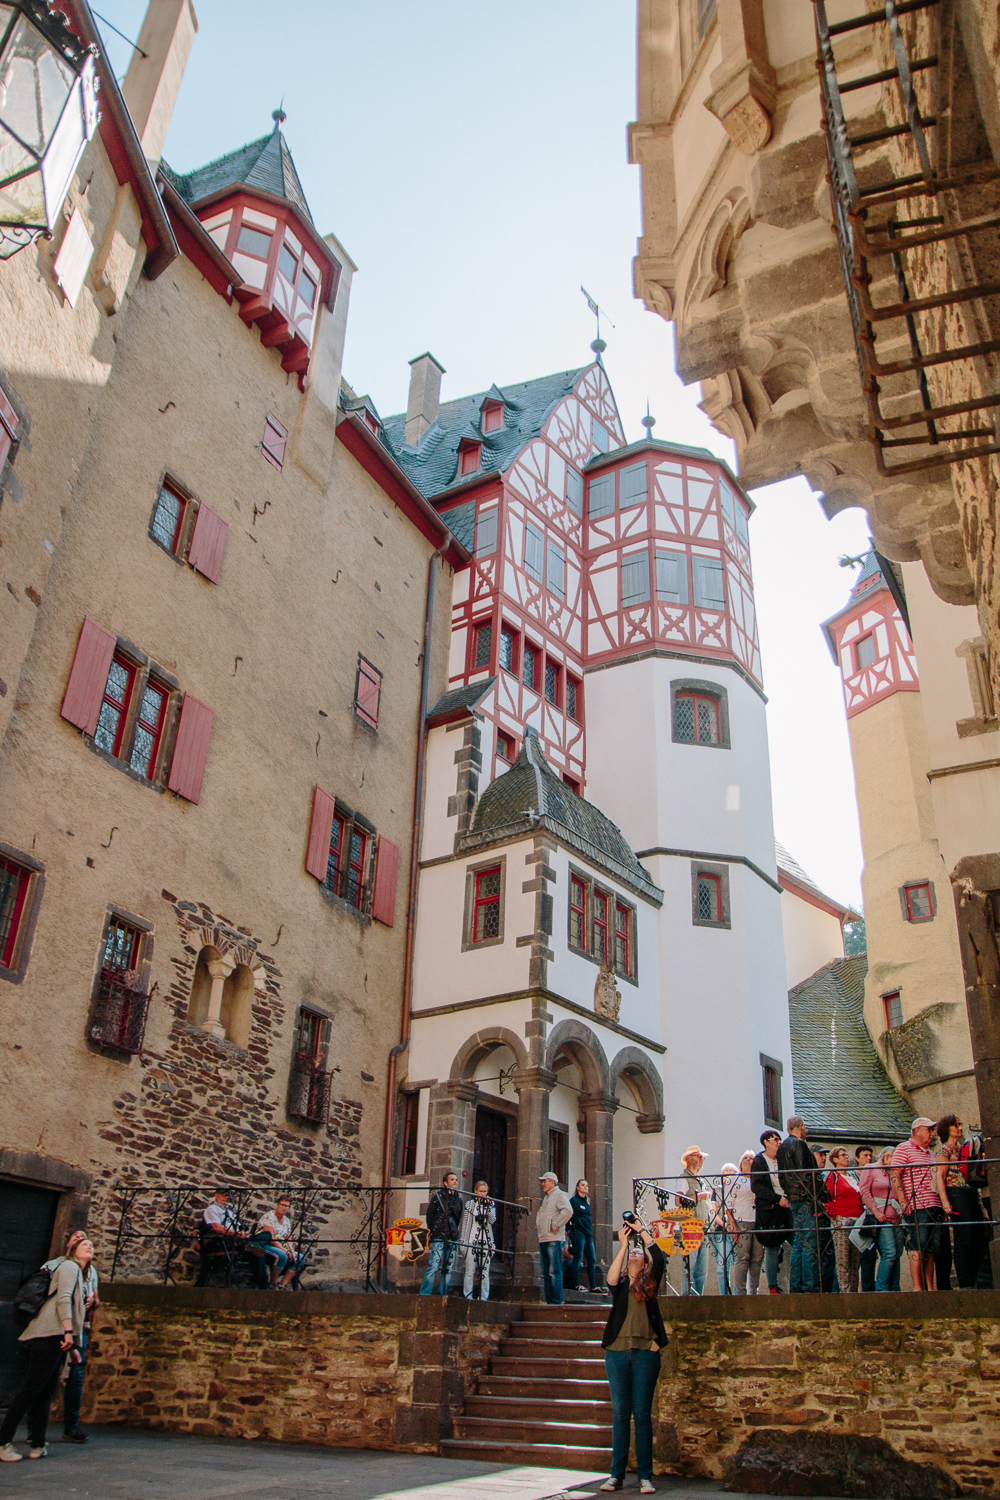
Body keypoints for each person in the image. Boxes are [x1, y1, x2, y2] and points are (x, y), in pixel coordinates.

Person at [0, 1236, 92, 1462]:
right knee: (33, 1388)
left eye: (91, 1245)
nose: (89, 1246)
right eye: (84, 1245)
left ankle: (38, 1444)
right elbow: (63, 1299)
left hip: (56, 1336)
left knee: (45, 1390)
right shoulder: (70, 1266)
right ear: (72, 1250)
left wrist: (72, 1345)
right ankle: (3, 1441)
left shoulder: (80, 1273)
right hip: (49, 1334)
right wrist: (68, 1332)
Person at [599, 1216, 668, 1495]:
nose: (637, 1254)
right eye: (633, 1253)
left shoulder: (649, 1283)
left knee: (641, 1414)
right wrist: (624, 1244)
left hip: (645, 1354)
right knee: (619, 1414)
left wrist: (643, 1233)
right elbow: (611, 1278)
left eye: (640, 1253)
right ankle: (616, 1475)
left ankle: (644, 1477)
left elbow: (660, 1259)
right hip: (616, 1353)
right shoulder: (621, 1285)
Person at [45, 1231, 98, 1442]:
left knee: (75, 1376)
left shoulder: (91, 1271)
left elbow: (97, 1299)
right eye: (79, 1239)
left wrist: (91, 1302)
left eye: (88, 1240)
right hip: (57, 1327)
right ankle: (34, 1427)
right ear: (70, 1244)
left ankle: (71, 1426)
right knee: (46, 1376)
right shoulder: (56, 1265)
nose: (85, 1243)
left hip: (79, 1330)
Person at [936, 1114, 989, 1289]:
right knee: (963, 1238)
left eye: (960, 1124)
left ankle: (972, 1281)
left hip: (970, 1193)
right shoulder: (944, 1150)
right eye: (956, 1125)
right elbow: (940, 1177)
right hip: (956, 1192)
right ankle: (966, 1284)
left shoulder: (964, 1148)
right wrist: (945, 1201)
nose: (959, 1128)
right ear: (947, 1129)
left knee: (979, 1239)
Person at [891, 1118, 944, 1290]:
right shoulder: (903, 1148)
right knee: (917, 1245)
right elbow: (895, 1175)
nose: (932, 1134)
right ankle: (917, 1287)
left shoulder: (931, 1153)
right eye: (929, 1130)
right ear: (917, 1130)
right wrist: (903, 1200)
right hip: (917, 1206)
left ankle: (929, 1286)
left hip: (933, 1204)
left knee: (931, 1248)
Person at [777, 1117, 828, 1293]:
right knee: (808, 1243)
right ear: (802, 1127)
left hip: (793, 1198)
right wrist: (817, 1198)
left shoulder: (782, 1147)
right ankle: (809, 1286)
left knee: (799, 1242)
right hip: (804, 1198)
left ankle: (796, 1286)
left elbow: (783, 1176)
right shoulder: (799, 1144)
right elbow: (806, 1174)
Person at [751, 1129, 792, 1294]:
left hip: (788, 1206)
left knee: (797, 1241)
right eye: (775, 1139)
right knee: (772, 1247)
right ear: (766, 1142)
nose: (778, 1142)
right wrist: (777, 1199)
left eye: (779, 1139)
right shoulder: (760, 1161)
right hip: (770, 1209)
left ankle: (795, 1281)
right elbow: (757, 1186)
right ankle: (773, 1286)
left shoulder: (782, 1160)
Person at [859, 1146, 904, 1291]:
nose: (893, 1161)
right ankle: (882, 1288)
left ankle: (894, 1287)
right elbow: (864, 1190)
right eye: (890, 1157)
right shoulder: (871, 1168)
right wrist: (875, 1212)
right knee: (889, 1252)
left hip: (896, 1218)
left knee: (897, 1254)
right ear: (884, 1156)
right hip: (881, 1218)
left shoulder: (894, 1172)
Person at [676, 1146, 714, 1295]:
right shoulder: (683, 1178)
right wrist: (700, 1197)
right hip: (691, 1227)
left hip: (704, 1228)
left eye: (702, 1157)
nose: (701, 1160)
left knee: (702, 1270)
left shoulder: (700, 1180)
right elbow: (679, 1201)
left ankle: (698, 1298)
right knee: (690, 1267)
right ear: (689, 1159)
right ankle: (687, 1298)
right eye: (699, 1157)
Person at [824, 1147, 863, 1292]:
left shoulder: (853, 1178)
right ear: (835, 1159)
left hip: (857, 1221)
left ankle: (853, 1290)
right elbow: (825, 1199)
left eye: (847, 1155)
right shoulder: (832, 1177)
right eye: (843, 1155)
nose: (847, 1157)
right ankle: (845, 1291)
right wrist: (835, 1216)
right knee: (843, 1259)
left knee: (855, 1259)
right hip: (843, 1220)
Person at [420, 1171, 464, 1295]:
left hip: (451, 1235)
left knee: (448, 1268)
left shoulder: (458, 1200)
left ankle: (442, 1294)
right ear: (445, 1183)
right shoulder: (437, 1197)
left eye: (456, 1179)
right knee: (434, 1265)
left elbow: (457, 1218)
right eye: (452, 1179)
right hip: (439, 1234)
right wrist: (434, 1231)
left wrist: (454, 1231)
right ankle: (425, 1294)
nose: (455, 1181)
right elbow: (430, 1216)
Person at [730, 1152, 765, 1295]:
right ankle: (741, 1293)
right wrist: (732, 1224)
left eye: (752, 1159)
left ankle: (753, 1292)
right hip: (741, 1221)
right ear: (740, 1163)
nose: (749, 1161)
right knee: (742, 1258)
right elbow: (728, 1204)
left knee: (757, 1259)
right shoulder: (734, 1180)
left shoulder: (759, 1180)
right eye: (746, 1158)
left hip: (758, 1222)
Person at [536, 1171, 573, 1305]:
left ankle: (556, 1301)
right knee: (546, 1273)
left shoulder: (559, 1195)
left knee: (554, 1272)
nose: (542, 1184)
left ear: (552, 1182)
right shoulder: (547, 1198)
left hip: (554, 1239)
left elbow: (568, 1211)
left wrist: (555, 1225)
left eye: (544, 1181)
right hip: (544, 1238)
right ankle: (550, 1300)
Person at [257, 1196, 306, 1290]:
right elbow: (270, 1238)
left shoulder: (286, 1220)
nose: (284, 1208)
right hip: (267, 1244)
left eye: (286, 1206)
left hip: (282, 1245)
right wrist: (286, 1251)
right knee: (282, 1255)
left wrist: (291, 1251)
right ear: (277, 1204)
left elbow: (288, 1237)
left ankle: (282, 1285)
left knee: (299, 1258)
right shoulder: (269, 1216)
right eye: (282, 1205)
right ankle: (273, 1284)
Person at [459, 1180, 496, 1300]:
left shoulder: (491, 1204)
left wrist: (488, 1207)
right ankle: (468, 1296)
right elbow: (465, 1224)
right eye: (480, 1191)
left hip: (485, 1241)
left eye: (485, 1191)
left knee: (485, 1272)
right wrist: (463, 1242)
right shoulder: (470, 1205)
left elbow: (492, 1220)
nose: (483, 1194)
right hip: (471, 1240)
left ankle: (483, 1297)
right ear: (475, 1191)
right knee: (470, 1271)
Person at [811, 1145, 837, 1293]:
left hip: (828, 1220)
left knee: (829, 1257)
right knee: (816, 1257)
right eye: (820, 1155)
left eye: (824, 1155)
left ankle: (827, 1290)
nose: (823, 1158)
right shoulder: (808, 1176)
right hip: (814, 1221)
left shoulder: (826, 1176)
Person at [709, 1165, 739, 1294]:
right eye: (725, 1171)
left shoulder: (739, 1188)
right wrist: (724, 1225)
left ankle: (739, 1295)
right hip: (720, 1231)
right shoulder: (716, 1190)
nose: (727, 1173)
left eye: (730, 1171)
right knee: (722, 1267)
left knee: (739, 1266)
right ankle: (724, 1295)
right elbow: (713, 1211)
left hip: (738, 1230)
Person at [854, 1146, 878, 1291]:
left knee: (870, 1256)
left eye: (870, 1155)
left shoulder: (874, 1173)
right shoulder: (852, 1175)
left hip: (871, 1219)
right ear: (857, 1158)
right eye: (865, 1155)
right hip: (858, 1219)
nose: (869, 1158)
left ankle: (869, 1288)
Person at [568, 1179, 599, 1293]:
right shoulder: (574, 1201)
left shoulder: (587, 1201)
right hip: (578, 1231)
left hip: (587, 1232)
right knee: (578, 1257)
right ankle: (576, 1284)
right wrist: (569, 1229)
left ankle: (593, 1286)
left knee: (592, 1259)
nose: (585, 1187)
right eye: (583, 1185)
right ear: (577, 1187)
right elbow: (568, 1215)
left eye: (587, 1185)